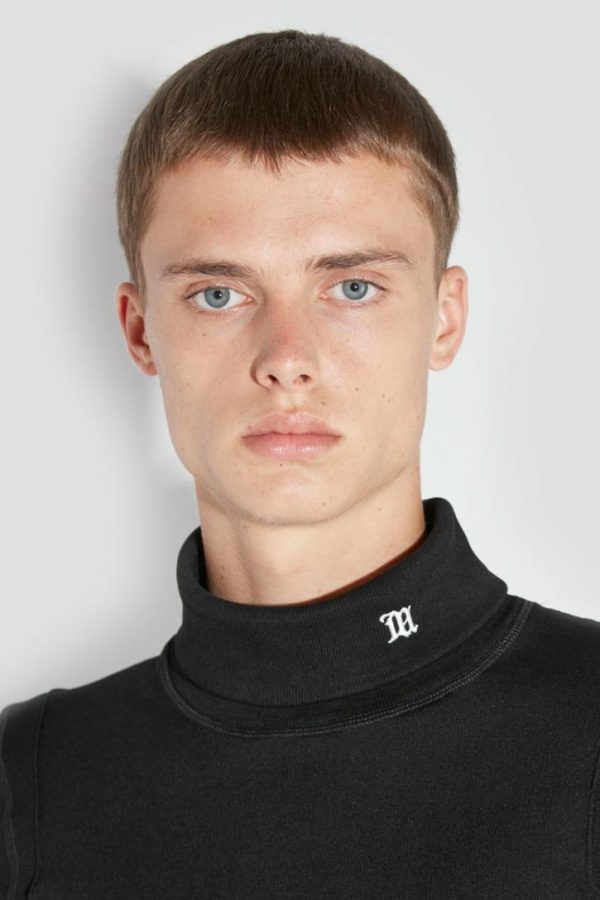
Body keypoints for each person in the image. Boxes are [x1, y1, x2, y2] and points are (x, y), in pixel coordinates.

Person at [1, 28, 599, 899]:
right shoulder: (29, 781)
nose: (287, 358)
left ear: (444, 318)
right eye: (219, 294)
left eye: (352, 288)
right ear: (140, 331)